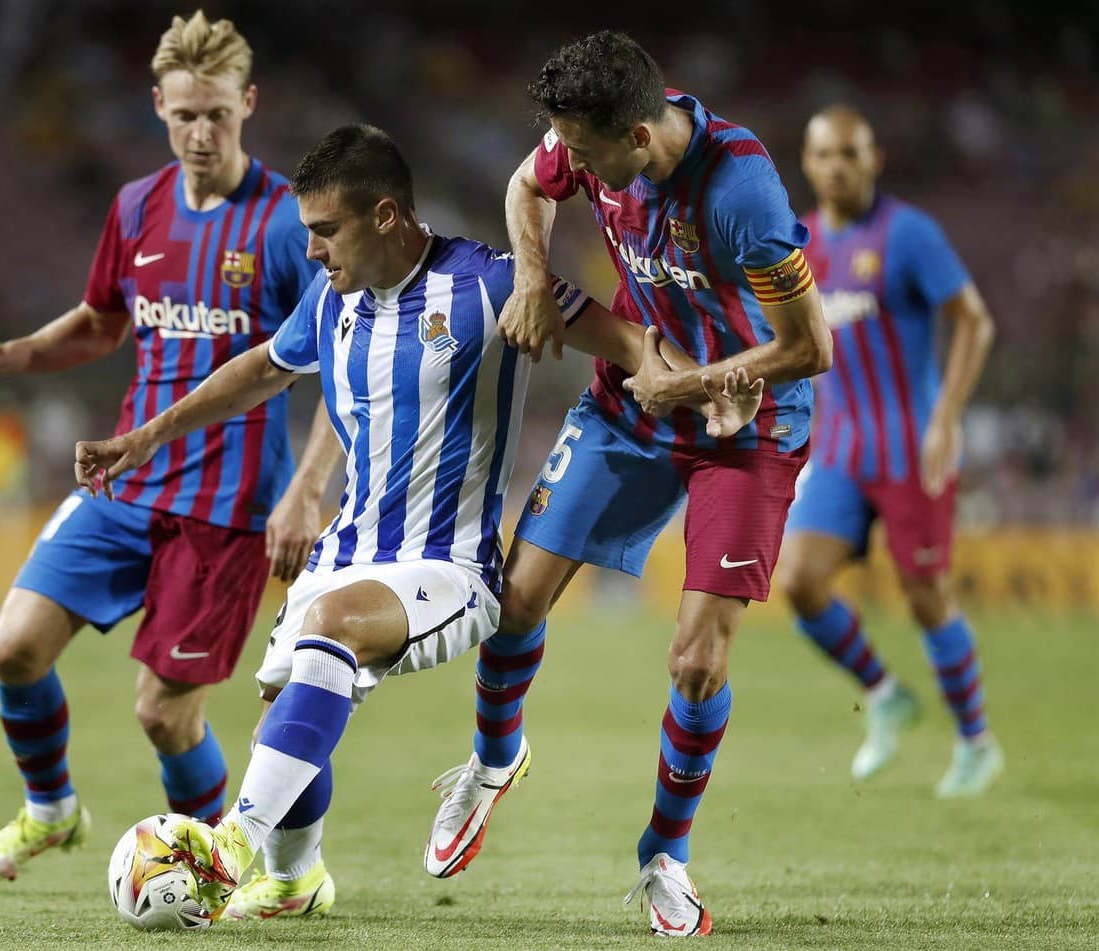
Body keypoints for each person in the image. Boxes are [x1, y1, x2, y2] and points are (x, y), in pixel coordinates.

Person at [74, 122, 764, 921]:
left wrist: (710, 387)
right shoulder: (329, 300)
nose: (316, 250)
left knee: (326, 633)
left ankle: (232, 842)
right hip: (345, 553)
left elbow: (626, 343)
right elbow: (262, 368)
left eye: (327, 231)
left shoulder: (489, 284)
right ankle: (296, 877)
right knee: (285, 720)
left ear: (387, 217)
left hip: (450, 569)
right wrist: (141, 437)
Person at [424, 31, 833, 937]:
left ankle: (664, 854)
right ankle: (494, 763)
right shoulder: (592, 145)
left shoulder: (740, 193)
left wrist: (695, 381)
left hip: (748, 429)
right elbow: (525, 186)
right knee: (516, 599)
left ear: (640, 140)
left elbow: (812, 347)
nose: (567, 161)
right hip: (631, 411)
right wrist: (533, 273)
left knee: (695, 659)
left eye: (583, 150)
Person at [0, 10, 343, 885]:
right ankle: (51, 811)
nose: (202, 133)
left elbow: (342, 368)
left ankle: (222, 869)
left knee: (165, 714)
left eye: (219, 116)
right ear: (159, 105)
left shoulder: (284, 226)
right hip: (126, 481)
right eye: (186, 114)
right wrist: (5, 355)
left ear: (250, 105)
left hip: (229, 509)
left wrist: (307, 489)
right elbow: (100, 322)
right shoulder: (137, 206)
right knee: (13, 648)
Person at [776, 105, 1001, 795]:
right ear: (808, 164)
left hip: (912, 445)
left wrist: (946, 418)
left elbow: (974, 321)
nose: (838, 165)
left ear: (875, 158)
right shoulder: (800, 244)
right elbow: (785, 342)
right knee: (799, 582)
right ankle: (883, 692)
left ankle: (976, 742)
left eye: (851, 152)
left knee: (927, 593)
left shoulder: (909, 235)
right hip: (841, 447)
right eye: (824, 154)